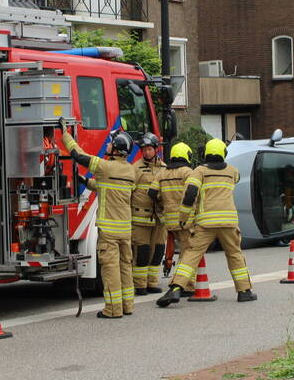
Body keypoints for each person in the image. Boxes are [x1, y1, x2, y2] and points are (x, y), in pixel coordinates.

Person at [157, 138, 257, 306]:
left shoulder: (199, 171)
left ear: (204, 155)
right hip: (228, 223)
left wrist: (183, 217)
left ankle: (175, 289)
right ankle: (244, 291)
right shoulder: (232, 171)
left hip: (206, 223)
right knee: (235, 255)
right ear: (223, 154)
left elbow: (190, 194)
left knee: (191, 254)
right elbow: (237, 178)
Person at [60, 119, 136, 319]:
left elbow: (78, 155)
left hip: (109, 232)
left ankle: (112, 310)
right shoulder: (129, 170)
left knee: (110, 269)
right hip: (125, 230)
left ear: (116, 149)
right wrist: (86, 181)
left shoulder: (105, 167)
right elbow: (107, 186)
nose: (108, 145)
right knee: (125, 267)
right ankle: (127, 305)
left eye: (111, 143)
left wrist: (65, 134)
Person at [148, 141, 195, 293]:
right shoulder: (188, 172)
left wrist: (162, 204)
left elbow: (152, 193)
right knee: (188, 253)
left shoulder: (162, 173)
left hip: (169, 220)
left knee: (180, 251)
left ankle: (181, 283)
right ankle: (182, 285)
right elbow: (193, 193)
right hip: (186, 219)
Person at [130, 132, 166, 294]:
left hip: (159, 218)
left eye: (149, 149)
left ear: (156, 150)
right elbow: (129, 191)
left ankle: (152, 282)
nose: (146, 152)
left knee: (157, 251)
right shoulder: (135, 168)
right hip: (140, 218)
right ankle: (139, 285)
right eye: (144, 149)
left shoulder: (164, 168)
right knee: (142, 251)